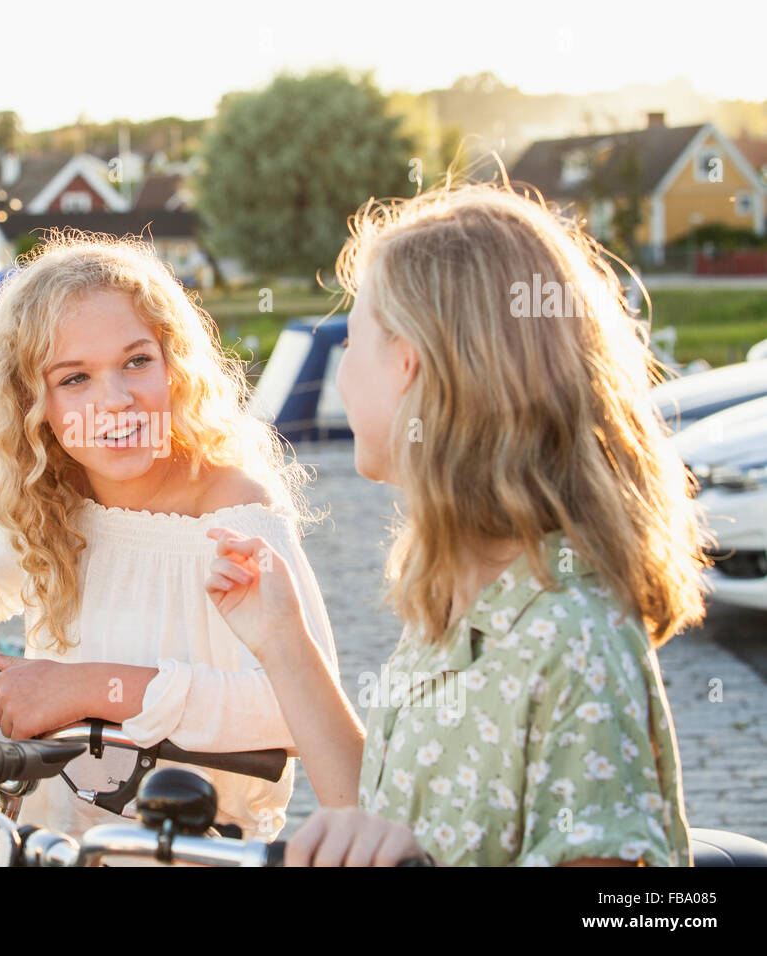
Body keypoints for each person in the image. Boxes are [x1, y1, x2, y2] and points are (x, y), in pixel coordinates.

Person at [205, 181, 711, 866]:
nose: (343, 377)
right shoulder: (463, 597)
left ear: (410, 364)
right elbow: (383, 816)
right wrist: (282, 639)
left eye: (353, 342)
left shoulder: (574, 640)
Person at [0, 232, 355, 842]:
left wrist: (86, 687)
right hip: (51, 843)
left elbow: (297, 712)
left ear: (175, 366)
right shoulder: (65, 501)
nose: (114, 402)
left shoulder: (234, 513)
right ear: (32, 402)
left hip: (192, 851)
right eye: (74, 379)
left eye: (137, 361)